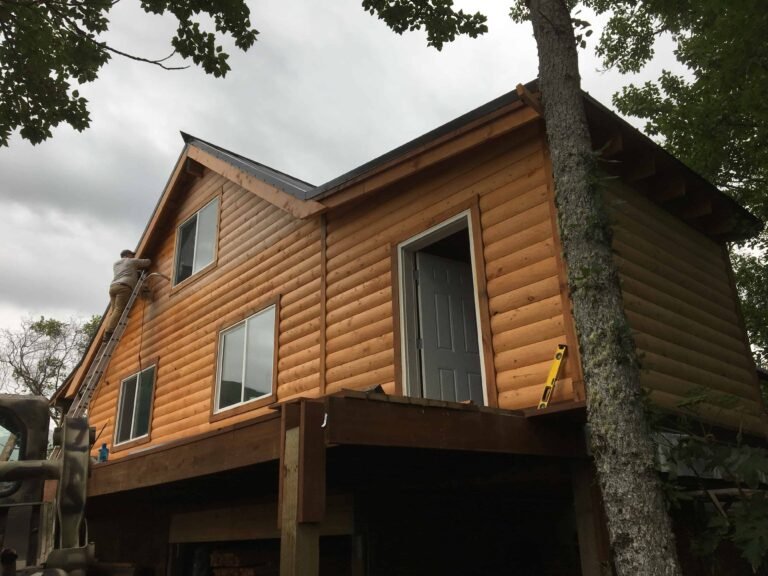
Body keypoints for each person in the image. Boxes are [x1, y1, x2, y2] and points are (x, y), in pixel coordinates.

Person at [103, 249, 151, 342]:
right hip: (124, 287)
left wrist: (135, 271)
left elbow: (126, 270)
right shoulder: (130, 261)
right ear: (128, 255)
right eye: (132, 255)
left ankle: (108, 331)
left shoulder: (116, 264)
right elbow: (147, 262)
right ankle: (108, 333)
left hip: (113, 287)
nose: (133, 256)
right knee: (119, 310)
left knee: (114, 312)